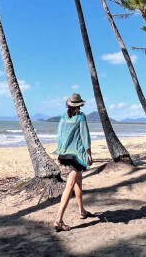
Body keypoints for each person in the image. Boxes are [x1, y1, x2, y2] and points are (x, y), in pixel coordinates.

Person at [53, 93, 95, 232]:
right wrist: (89, 154)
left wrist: (60, 150)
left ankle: (82, 211)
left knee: (78, 180)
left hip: (65, 153)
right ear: (80, 105)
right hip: (76, 155)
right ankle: (58, 220)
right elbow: (85, 136)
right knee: (70, 185)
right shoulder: (81, 117)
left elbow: (60, 134)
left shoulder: (63, 116)